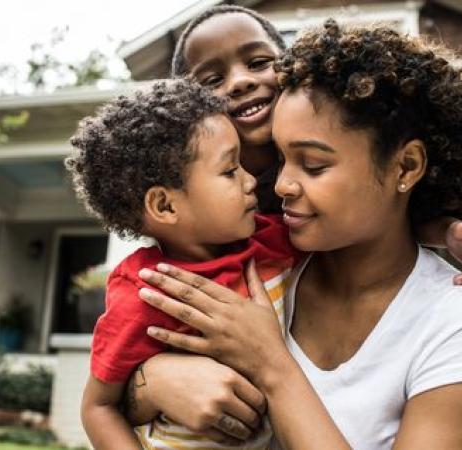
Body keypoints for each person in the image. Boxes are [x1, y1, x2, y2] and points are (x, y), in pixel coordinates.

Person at [131, 20, 462, 449]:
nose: (281, 185)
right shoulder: (256, 269)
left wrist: (272, 366)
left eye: (312, 164)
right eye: (281, 157)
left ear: (406, 167)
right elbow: (119, 381)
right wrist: (150, 382)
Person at [68, 79, 300, 449]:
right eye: (229, 170)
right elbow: (98, 407)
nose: (251, 179)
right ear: (165, 206)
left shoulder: (271, 242)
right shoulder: (146, 293)